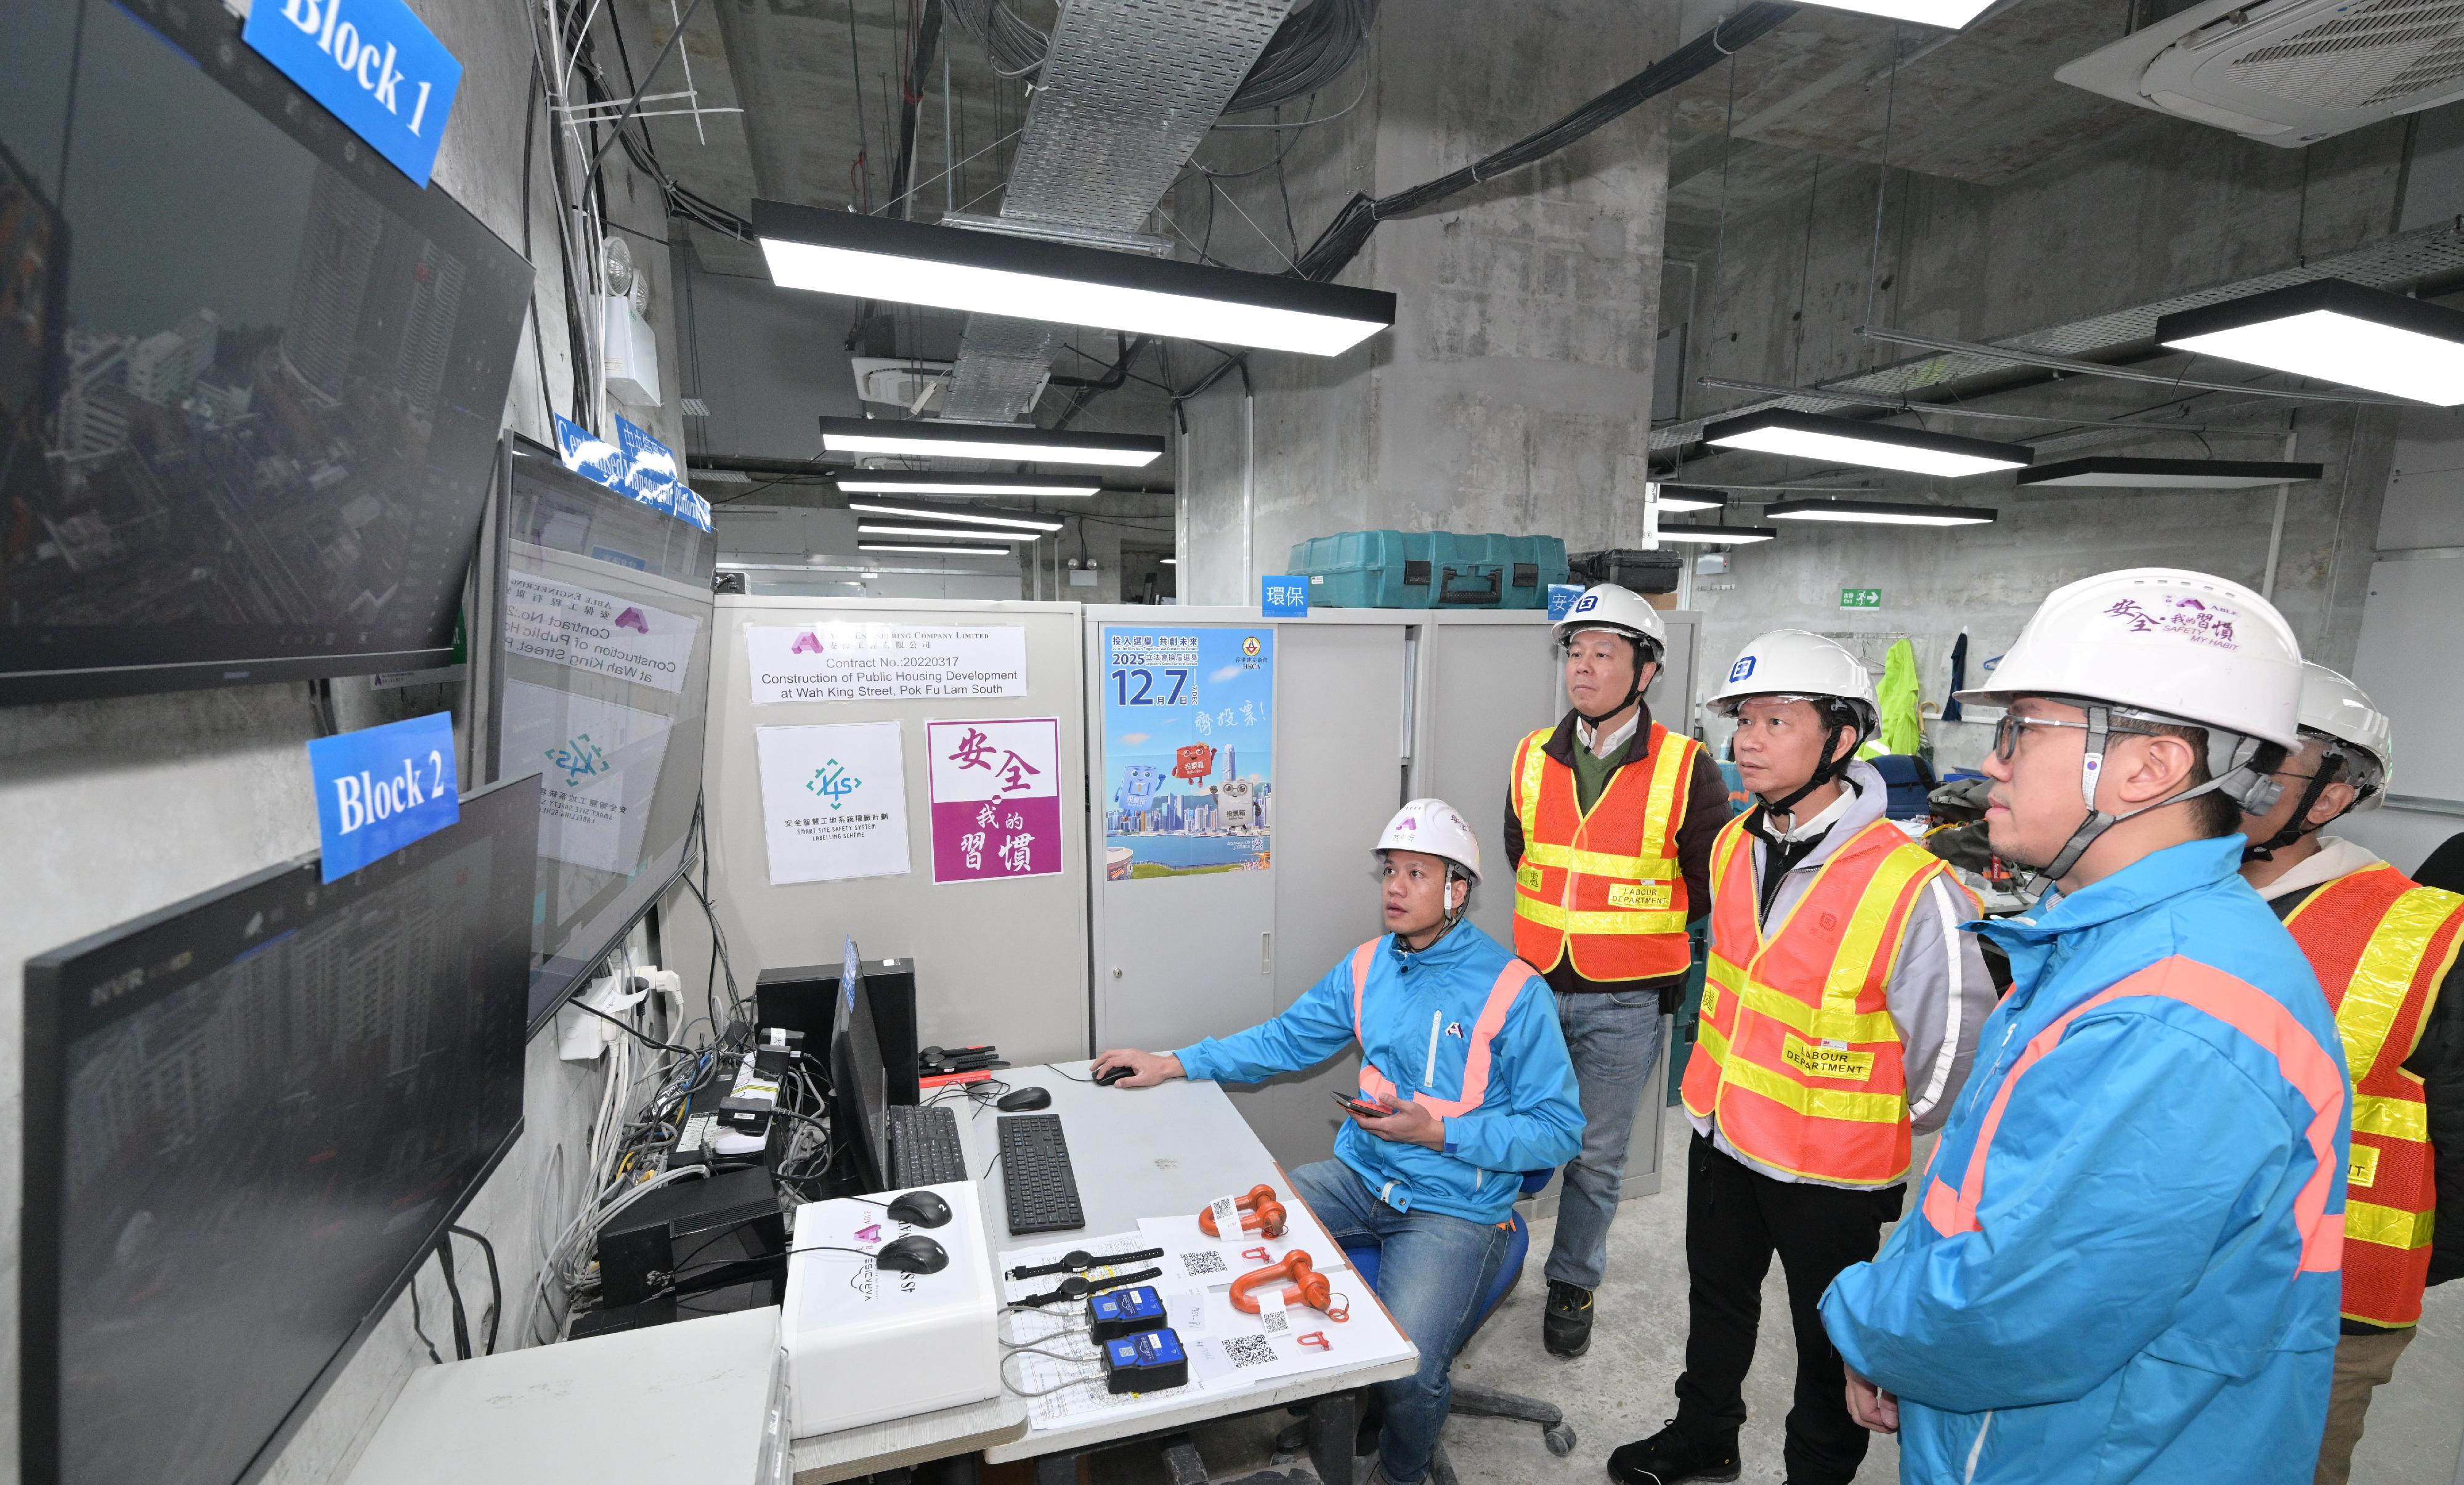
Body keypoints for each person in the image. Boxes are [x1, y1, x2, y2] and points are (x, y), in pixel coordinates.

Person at [1820, 568, 2351, 1484]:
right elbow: (1983, 1190)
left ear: (2149, 765)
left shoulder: (2174, 1014)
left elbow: (2014, 1304)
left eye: (2023, 729)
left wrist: (1870, 1326)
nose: (1994, 759)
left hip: (2094, 1452)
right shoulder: (2108, 943)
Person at [1093, 799, 1583, 1485]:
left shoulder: (1512, 989)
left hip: (1451, 1207)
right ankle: (1307, 1402)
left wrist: (1438, 1131)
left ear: (1457, 890)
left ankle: (1402, 1471)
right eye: (1390, 870)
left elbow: (1558, 1129)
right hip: (1359, 1174)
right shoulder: (1368, 965)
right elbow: (1285, 1039)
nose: (1394, 886)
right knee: (1218, 1239)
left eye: (1417, 872)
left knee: (1410, 1370)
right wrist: (1173, 1061)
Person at [1608, 630, 1990, 1485]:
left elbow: (1956, 1051)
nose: (1748, 739)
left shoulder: (1909, 881)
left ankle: (1816, 1472)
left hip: (1831, 1169)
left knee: (1831, 1339)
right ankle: (1704, 1435)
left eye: (1777, 720)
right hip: (1723, 1129)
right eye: (1744, 718)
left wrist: (1882, 1115)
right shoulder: (1731, 842)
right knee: (1717, 1304)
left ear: (1843, 737)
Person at [2235, 662, 2464, 1485]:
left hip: (2329, 1309)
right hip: (2151, 1282)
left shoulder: (2421, 932)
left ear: (2328, 797)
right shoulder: (2144, 899)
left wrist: (2415, 1261)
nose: (2226, 772)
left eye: (2258, 756)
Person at [1502, 582, 1730, 1358]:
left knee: (1597, 1156)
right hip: (1533, 987)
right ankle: (1480, 1260)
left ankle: (1572, 1279)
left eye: (1604, 653)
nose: (1584, 668)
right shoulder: (1533, 754)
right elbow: (1522, 854)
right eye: (1575, 651)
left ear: (1646, 670)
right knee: (1509, 1135)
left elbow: (1708, 882)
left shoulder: (1687, 769)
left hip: (1626, 998)